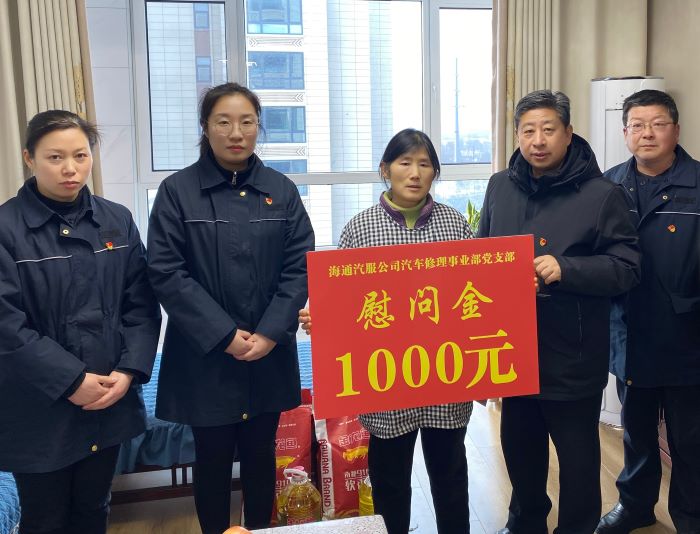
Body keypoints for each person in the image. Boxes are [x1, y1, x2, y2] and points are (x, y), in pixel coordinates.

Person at [147, 82, 314, 533]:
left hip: (267, 353)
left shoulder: (281, 190)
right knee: (212, 461)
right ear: (206, 127)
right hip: (205, 357)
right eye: (223, 122)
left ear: (259, 127)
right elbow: (166, 271)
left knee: (262, 458)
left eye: (246, 122)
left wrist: (270, 332)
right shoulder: (177, 191)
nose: (236, 133)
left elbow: (299, 267)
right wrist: (224, 335)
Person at [477, 90, 641, 534]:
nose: (538, 140)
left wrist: (566, 269)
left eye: (549, 129)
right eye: (528, 130)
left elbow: (627, 268)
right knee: (519, 449)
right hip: (512, 351)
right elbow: (481, 256)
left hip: (573, 353)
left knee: (578, 460)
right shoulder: (499, 186)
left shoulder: (602, 194)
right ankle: (525, 522)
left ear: (568, 133)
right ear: (516, 134)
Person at [299, 128, 473, 534]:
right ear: (385, 169)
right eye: (405, 162)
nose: (415, 173)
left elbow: (475, 294)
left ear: (435, 173)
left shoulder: (455, 224)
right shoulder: (360, 229)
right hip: (385, 381)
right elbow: (341, 301)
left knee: (450, 476)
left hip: (445, 376)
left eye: (425, 164)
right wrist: (321, 318)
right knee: (390, 481)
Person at [0, 110, 161, 534]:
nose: (70, 168)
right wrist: (71, 380)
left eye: (80, 155)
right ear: (29, 158)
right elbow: (7, 327)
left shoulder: (116, 219)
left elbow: (141, 304)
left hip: (108, 396)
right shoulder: (6, 228)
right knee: (45, 519)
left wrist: (128, 371)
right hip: (38, 405)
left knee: (94, 509)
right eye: (55, 157)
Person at [596, 90, 700, 534]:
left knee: (689, 438)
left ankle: (691, 517)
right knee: (635, 428)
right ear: (625, 133)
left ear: (676, 130)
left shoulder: (697, 183)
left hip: (686, 334)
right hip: (630, 331)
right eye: (637, 125)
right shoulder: (608, 187)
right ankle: (635, 506)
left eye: (658, 124)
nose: (647, 134)